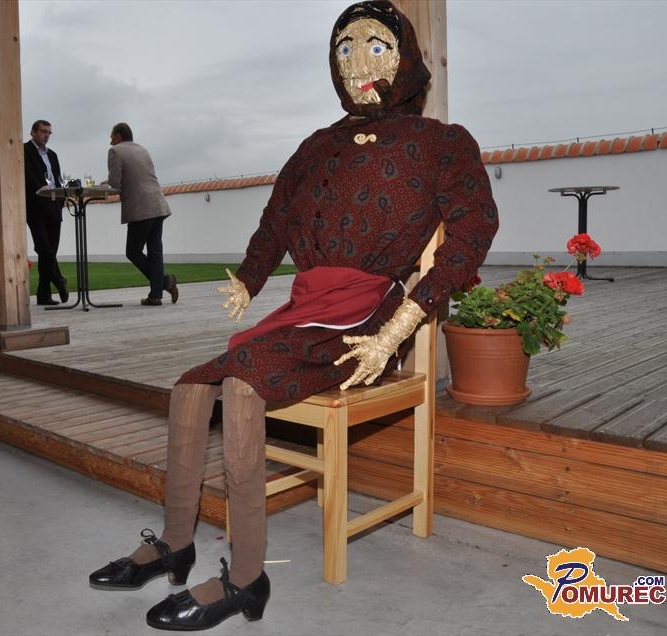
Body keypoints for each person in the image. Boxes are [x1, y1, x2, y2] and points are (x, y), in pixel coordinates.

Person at [88, 1, 499, 631]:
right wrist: (249, 279)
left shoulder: (442, 143)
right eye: (344, 48)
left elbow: (474, 231)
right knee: (191, 386)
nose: (357, 62)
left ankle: (247, 576)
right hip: (305, 307)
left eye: (376, 46)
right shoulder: (317, 146)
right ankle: (175, 542)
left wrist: (399, 328)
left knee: (242, 384)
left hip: (367, 315)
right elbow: (277, 218)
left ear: (406, 59)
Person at [105, 122, 179, 306]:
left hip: (141, 208)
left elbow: (115, 183)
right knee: (155, 251)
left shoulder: (115, 151)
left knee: (133, 251)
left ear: (119, 135)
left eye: (112, 136)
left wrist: (104, 184)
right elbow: (137, 176)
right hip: (158, 204)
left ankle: (165, 282)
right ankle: (156, 295)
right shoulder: (143, 150)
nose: (110, 140)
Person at [24, 119, 69, 306]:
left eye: (49, 132)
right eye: (43, 131)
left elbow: (58, 179)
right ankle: (59, 280)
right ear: (33, 132)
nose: (46, 135)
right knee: (44, 248)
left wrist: (60, 202)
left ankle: (43, 294)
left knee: (49, 251)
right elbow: (26, 174)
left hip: (53, 207)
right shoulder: (24, 150)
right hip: (35, 206)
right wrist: (39, 190)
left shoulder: (53, 155)